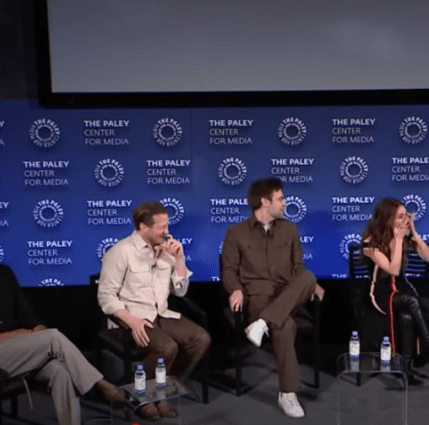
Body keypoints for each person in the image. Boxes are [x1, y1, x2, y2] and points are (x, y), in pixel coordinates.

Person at [0, 234, 125, 425]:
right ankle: (101, 385)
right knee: (53, 337)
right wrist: (16, 335)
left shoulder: (3, 274)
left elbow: (24, 310)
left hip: (16, 352)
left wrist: (38, 327)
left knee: (60, 371)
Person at [221, 177, 325, 419]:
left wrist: (311, 285)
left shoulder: (289, 229)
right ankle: (287, 394)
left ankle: (261, 324)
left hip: (287, 292)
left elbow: (298, 267)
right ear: (264, 201)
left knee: (308, 277)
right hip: (258, 297)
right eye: (280, 199)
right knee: (285, 327)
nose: (284, 203)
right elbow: (228, 269)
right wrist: (235, 288)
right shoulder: (235, 233)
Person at [98, 201, 211, 421]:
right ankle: (144, 399)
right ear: (143, 227)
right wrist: (130, 320)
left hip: (161, 314)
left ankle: (163, 392)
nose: (167, 231)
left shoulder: (166, 250)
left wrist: (178, 259)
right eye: (161, 227)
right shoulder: (120, 252)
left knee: (200, 338)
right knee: (166, 347)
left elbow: (180, 292)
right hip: (130, 319)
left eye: (167, 225)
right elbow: (105, 297)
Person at [360, 198, 429, 382]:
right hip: (381, 293)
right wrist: (399, 240)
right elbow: (392, 270)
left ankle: (406, 371)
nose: (405, 221)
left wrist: (414, 233)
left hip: (401, 288)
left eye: (406, 217)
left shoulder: (404, 235)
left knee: (407, 316)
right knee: (412, 300)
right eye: (400, 217)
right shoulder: (371, 241)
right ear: (388, 218)